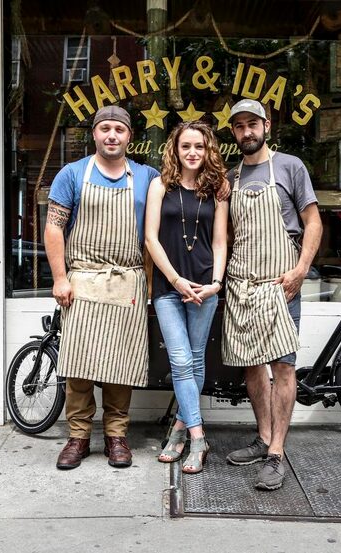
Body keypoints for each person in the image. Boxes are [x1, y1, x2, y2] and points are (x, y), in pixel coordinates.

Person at [45, 105, 158, 470]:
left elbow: (155, 236)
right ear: (94, 134)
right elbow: (53, 229)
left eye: (119, 130)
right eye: (105, 128)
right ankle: (78, 437)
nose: (112, 135)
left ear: (130, 137)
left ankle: (116, 436)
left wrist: (152, 285)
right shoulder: (72, 174)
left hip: (127, 280)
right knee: (79, 366)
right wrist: (60, 278)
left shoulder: (147, 177)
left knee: (119, 365)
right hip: (83, 281)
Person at [221, 99, 322, 491]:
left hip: (281, 283)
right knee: (250, 366)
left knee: (282, 367)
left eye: (252, 124)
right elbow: (226, 237)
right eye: (239, 126)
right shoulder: (231, 178)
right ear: (234, 132)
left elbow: (312, 222)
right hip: (242, 284)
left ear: (266, 126)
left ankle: (277, 452)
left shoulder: (290, 166)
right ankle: (263, 438)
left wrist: (300, 270)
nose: (247, 132)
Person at [145, 121, 228, 474]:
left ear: (208, 150)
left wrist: (216, 283)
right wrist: (176, 280)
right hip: (168, 286)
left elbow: (221, 240)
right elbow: (151, 238)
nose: (192, 152)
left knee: (195, 359)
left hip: (204, 288)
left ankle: (178, 428)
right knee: (180, 360)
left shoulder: (218, 189)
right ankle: (198, 436)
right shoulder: (159, 185)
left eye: (198, 146)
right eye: (185, 146)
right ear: (174, 150)